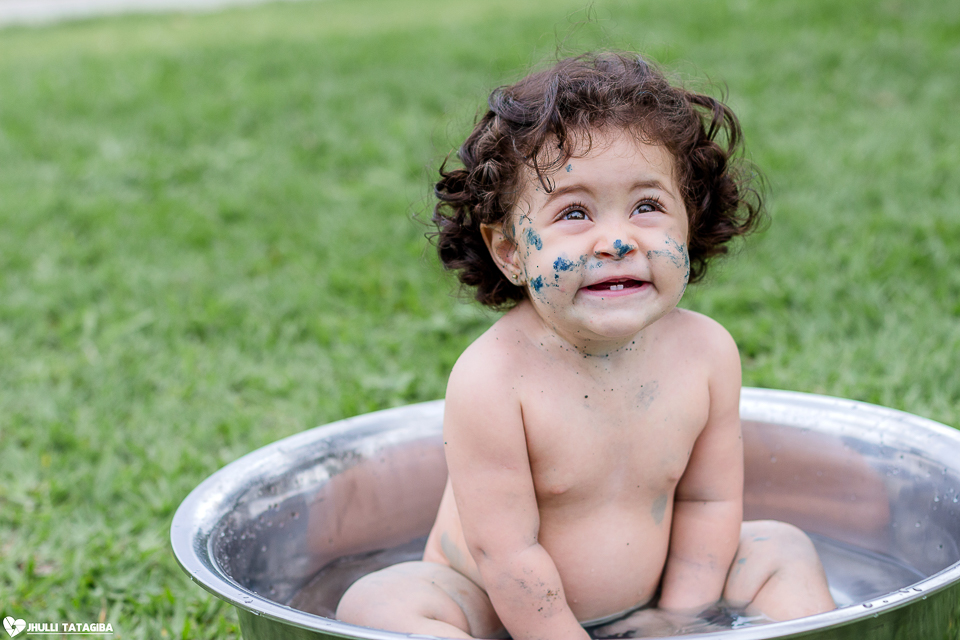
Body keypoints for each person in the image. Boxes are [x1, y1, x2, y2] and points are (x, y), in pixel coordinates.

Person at [336, 51, 835, 639]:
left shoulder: (706, 354)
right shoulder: (495, 380)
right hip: (496, 613)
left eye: (647, 206)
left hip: (653, 604)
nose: (617, 241)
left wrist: (677, 621)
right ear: (510, 252)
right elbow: (506, 554)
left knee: (781, 549)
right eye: (574, 213)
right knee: (378, 603)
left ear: (689, 224)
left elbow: (708, 504)